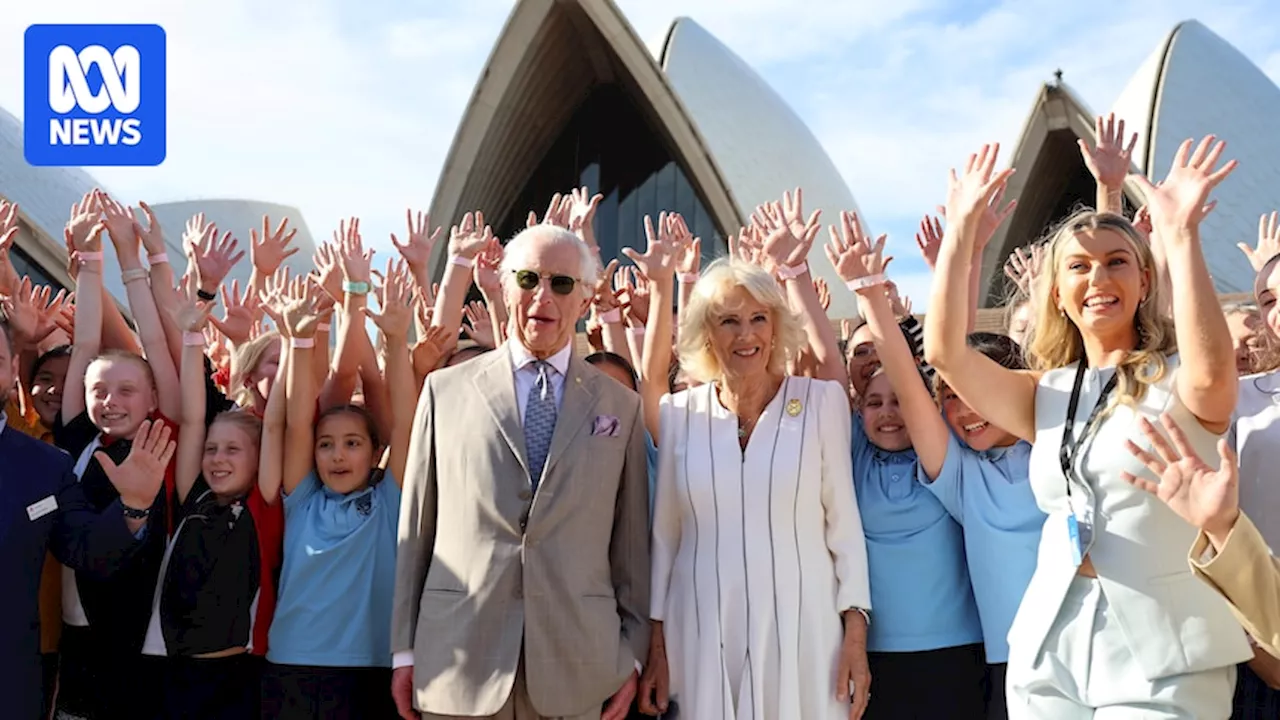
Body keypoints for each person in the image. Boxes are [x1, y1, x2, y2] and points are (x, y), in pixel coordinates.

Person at [925, 140, 1250, 718]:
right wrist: (960, 233)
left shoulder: (1182, 378)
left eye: (1117, 261)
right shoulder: (1044, 392)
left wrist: (1180, 234)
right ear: (1056, 291)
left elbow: (1215, 367)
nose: (1098, 276)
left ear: (1144, 281)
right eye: (1078, 265)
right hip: (1050, 646)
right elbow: (946, 353)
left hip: (1164, 651)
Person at [391, 224, 650, 720]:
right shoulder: (444, 392)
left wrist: (631, 653)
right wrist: (403, 649)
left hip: (579, 667)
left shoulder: (621, 405)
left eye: (562, 283)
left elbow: (630, 546)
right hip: (458, 662)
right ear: (505, 286)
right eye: (528, 279)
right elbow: (416, 530)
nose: (542, 297)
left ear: (586, 296)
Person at [641, 251, 872, 717]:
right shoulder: (679, 414)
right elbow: (666, 539)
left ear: (775, 327)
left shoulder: (820, 402)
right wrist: (658, 648)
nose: (746, 335)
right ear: (707, 333)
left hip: (805, 630)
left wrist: (855, 636)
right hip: (700, 632)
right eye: (728, 321)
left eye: (758, 319)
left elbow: (843, 526)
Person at [0, 318, 78, 720]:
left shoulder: (56, 463)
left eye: (71, 382)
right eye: (45, 378)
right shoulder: (20, 426)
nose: (56, 389)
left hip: (31, 648)